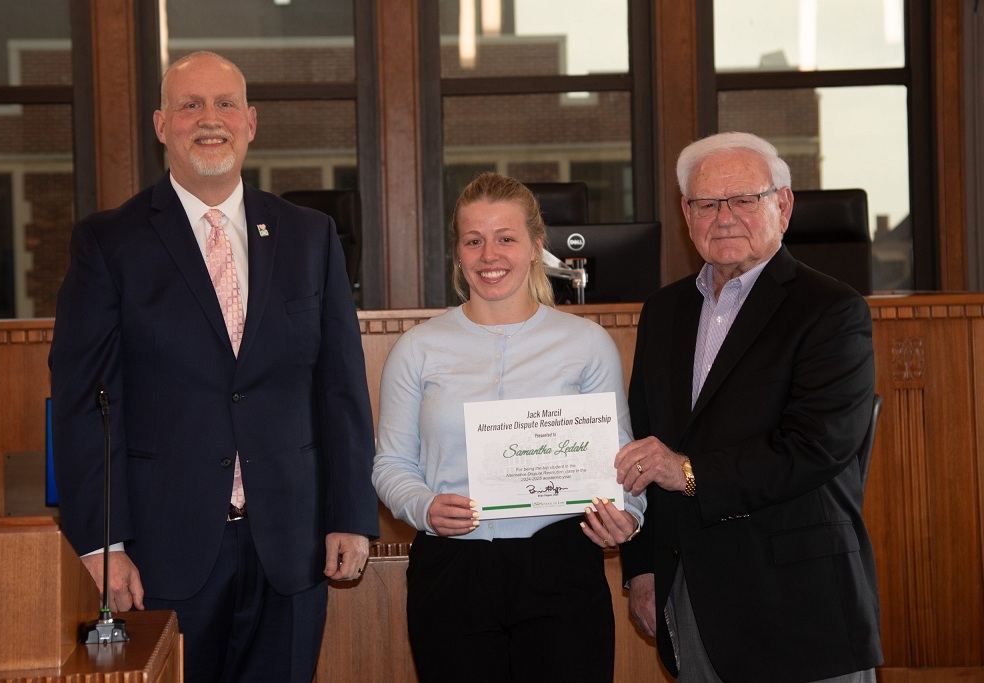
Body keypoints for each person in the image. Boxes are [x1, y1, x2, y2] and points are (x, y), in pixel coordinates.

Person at [49, 51, 379, 682]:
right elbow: (83, 402)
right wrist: (101, 543)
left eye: (226, 104)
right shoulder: (108, 242)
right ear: (161, 124)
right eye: (190, 105)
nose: (210, 119)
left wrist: (350, 515)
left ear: (250, 122)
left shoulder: (309, 236)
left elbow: (340, 390)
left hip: (291, 547)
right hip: (161, 552)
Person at [595, 131, 883, 682]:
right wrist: (645, 570)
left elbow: (816, 446)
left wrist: (688, 473)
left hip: (798, 607)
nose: (724, 217)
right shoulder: (664, 311)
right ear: (686, 213)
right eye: (707, 203)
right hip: (692, 602)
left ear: (784, 204)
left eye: (745, 199)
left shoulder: (831, 310)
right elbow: (643, 443)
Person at [372, 172, 645, 682]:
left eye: (506, 238)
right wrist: (424, 507)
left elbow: (619, 456)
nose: (488, 255)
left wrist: (628, 513)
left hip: (561, 561)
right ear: (458, 252)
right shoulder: (417, 348)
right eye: (473, 241)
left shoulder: (586, 343)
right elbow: (391, 464)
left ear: (537, 246)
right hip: (452, 568)